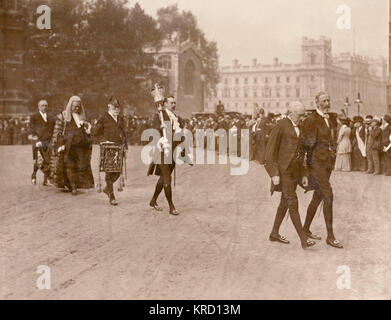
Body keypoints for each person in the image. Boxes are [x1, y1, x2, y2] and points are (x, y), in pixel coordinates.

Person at [265, 101, 316, 250]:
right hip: (284, 171)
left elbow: (304, 153)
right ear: (291, 112)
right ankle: (303, 239)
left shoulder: (300, 127)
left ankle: (274, 233)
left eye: (303, 115)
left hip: (296, 172)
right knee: (293, 202)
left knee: (285, 203)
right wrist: (273, 173)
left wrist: (305, 174)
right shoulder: (281, 125)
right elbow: (270, 152)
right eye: (300, 115)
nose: (302, 118)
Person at [302, 91, 343, 249]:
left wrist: (332, 150)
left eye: (329, 100)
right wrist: (306, 170)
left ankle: (305, 229)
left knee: (318, 196)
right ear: (317, 103)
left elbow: (331, 138)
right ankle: (330, 236)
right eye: (324, 101)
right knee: (328, 195)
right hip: (316, 164)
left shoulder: (331, 118)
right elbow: (306, 146)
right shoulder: (311, 120)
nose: (327, 104)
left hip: (327, 164)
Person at [148, 95, 187, 215]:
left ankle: (153, 200)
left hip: (173, 152)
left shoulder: (177, 118)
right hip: (163, 151)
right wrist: (159, 128)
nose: (173, 105)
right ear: (165, 104)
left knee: (163, 178)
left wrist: (184, 151)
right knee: (167, 178)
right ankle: (171, 206)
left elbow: (180, 135)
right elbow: (153, 132)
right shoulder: (159, 115)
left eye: (174, 103)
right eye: (171, 103)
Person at [94, 95, 128, 205]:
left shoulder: (121, 119)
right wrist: (104, 141)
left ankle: (107, 188)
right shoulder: (103, 118)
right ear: (109, 106)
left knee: (118, 171)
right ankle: (111, 195)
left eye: (118, 107)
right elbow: (96, 133)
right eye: (114, 107)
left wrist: (125, 147)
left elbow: (124, 134)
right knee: (109, 171)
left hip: (119, 148)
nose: (117, 109)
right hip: (107, 148)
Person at [57, 96, 94, 195]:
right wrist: (60, 144)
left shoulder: (83, 118)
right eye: (75, 107)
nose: (77, 108)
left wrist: (88, 130)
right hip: (68, 146)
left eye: (78, 107)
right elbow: (59, 132)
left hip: (81, 146)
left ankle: (76, 184)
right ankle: (73, 186)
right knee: (69, 166)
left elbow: (88, 132)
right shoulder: (64, 117)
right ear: (70, 106)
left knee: (80, 166)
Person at [28, 99, 55, 185]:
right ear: (38, 107)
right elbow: (31, 129)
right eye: (42, 105)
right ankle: (33, 176)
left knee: (48, 160)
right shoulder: (34, 116)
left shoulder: (50, 117)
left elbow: (53, 129)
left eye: (46, 105)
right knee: (38, 160)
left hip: (48, 142)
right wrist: (36, 140)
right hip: (38, 142)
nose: (44, 107)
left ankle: (46, 180)